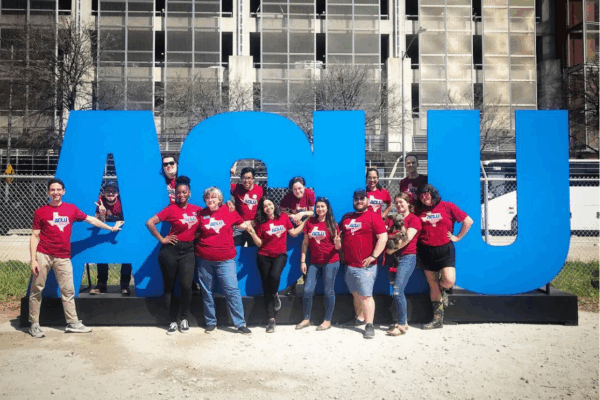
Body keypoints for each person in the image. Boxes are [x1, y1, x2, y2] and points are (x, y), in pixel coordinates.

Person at [28, 178, 124, 338]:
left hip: (63, 257)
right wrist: (33, 259)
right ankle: (34, 324)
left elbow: (91, 219)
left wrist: (110, 228)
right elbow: (34, 236)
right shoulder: (40, 212)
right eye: (52, 190)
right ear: (48, 192)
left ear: (63, 192)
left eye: (59, 190)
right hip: (43, 254)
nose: (55, 193)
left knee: (68, 290)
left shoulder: (71, 209)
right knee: (37, 289)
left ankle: (72, 323)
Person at [146, 176, 201, 335]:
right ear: (175, 194)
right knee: (169, 287)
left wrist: (229, 205)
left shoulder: (197, 210)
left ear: (189, 193)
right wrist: (162, 239)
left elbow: (212, 215)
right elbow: (149, 223)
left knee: (185, 286)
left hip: (189, 251)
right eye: (179, 193)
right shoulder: (170, 209)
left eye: (184, 192)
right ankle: (172, 321)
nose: (181, 195)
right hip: (170, 251)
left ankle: (184, 318)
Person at [415, 184, 473, 329]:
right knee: (432, 284)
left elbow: (468, 221)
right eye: (421, 196)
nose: (424, 197)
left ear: (433, 194)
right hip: (425, 249)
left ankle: (443, 291)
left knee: (448, 280)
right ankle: (437, 319)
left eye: (426, 194)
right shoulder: (419, 210)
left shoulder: (447, 206)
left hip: (445, 250)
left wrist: (457, 237)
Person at [195, 187, 252, 335]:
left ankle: (240, 324)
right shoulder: (200, 214)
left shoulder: (228, 210)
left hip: (226, 259)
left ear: (220, 200)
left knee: (232, 290)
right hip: (204, 259)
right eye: (207, 197)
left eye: (214, 197)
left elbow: (243, 224)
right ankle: (210, 322)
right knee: (207, 292)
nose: (210, 200)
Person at [246, 196, 307, 333]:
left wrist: (306, 222)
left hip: (280, 255)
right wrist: (252, 233)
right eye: (265, 206)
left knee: (274, 277)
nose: (268, 208)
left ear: (274, 205)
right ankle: (271, 319)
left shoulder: (284, 217)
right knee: (265, 286)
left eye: (270, 204)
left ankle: (275, 294)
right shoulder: (261, 222)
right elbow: (260, 243)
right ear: (263, 209)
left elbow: (293, 233)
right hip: (263, 256)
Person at [339, 189, 388, 339]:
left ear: (367, 200)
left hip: (366, 267)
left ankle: (369, 325)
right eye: (356, 199)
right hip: (350, 265)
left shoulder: (374, 217)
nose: (359, 201)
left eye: (362, 198)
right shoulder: (347, 218)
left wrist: (374, 256)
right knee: (356, 294)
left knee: (366, 296)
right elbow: (338, 235)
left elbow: (383, 237)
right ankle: (359, 319)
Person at [296, 197, 341, 331]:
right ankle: (306, 319)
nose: (320, 209)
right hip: (314, 262)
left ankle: (327, 321)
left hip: (331, 262)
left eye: (323, 206)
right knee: (308, 290)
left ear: (327, 208)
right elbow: (305, 243)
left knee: (328, 291)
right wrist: (303, 260)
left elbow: (338, 247)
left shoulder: (332, 223)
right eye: (318, 206)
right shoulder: (310, 222)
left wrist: (338, 243)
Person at [384, 193, 422, 336]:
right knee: (397, 290)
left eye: (402, 202)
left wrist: (390, 249)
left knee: (398, 291)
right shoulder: (391, 219)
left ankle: (401, 324)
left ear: (408, 204)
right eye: (397, 203)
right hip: (392, 259)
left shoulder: (414, 219)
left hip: (407, 257)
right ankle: (404, 321)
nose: (399, 205)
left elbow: (407, 239)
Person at [90, 180, 132, 296]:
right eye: (108, 191)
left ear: (117, 193)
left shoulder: (122, 202)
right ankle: (101, 284)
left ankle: (124, 285)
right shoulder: (99, 202)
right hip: (104, 230)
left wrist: (117, 224)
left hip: (121, 231)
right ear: (103, 193)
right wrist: (102, 214)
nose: (110, 193)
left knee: (126, 256)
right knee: (102, 255)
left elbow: (127, 217)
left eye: (113, 191)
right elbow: (96, 221)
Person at [227, 167, 264, 247]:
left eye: (249, 178)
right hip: (240, 225)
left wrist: (256, 221)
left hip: (253, 225)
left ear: (253, 179)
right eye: (244, 178)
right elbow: (223, 185)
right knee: (235, 247)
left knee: (254, 248)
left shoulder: (259, 190)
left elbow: (262, 207)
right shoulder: (237, 188)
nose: (246, 180)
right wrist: (228, 201)